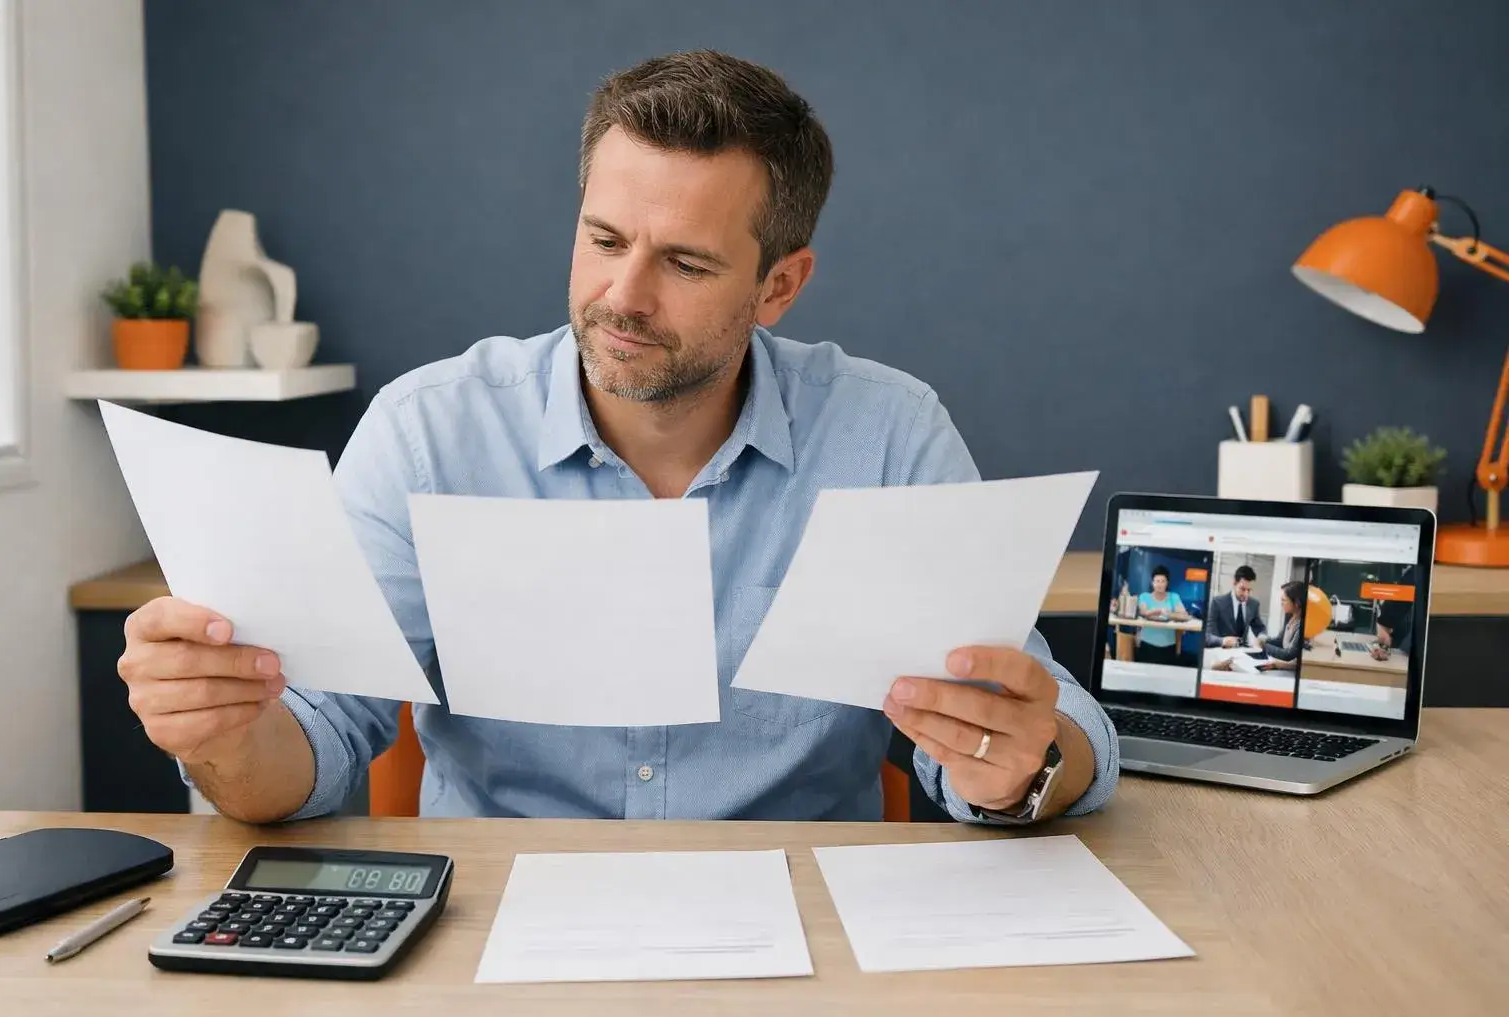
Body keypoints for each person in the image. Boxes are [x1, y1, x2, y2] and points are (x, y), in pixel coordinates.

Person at [113, 51, 1118, 826]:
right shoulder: (429, 434)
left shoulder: (888, 435)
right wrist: (225, 736)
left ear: (779, 286)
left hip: (801, 947)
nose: (622, 298)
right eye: (603, 241)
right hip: (490, 942)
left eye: (683, 262)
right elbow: (316, 745)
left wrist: (1024, 763)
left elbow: (1038, 731)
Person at [1133, 565, 1189, 665]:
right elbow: (1144, 613)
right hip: (1147, 645)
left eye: (1163, 581)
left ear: (1167, 583)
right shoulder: (1144, 596)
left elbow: (1184, 616)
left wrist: (1167, 614)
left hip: (1169, 647)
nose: (1159, 584)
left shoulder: (1174, 597)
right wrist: (1160, 610)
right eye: (1157, 581)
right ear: (1152, 583)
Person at [1205, 564, 1268, 649]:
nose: (1246, 594)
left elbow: (1260, 628)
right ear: (1234, 583)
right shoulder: (1217, 603)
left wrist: (1261, 638)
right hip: (1221, 653)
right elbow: (1208, 637)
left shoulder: (1254, 604)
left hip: (1243, 654)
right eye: (1242, 589)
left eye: (1249, 590)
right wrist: (1222, 641)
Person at [1256, 581, 1307, 671]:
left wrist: (1264, 646)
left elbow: (1288, 654)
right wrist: (1262, 639)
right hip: (1283, 667)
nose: (1281, 603)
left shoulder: (1303, 625)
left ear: (1297, 603)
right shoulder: (1290, 617)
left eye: (1284, 600)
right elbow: (1280, 640)